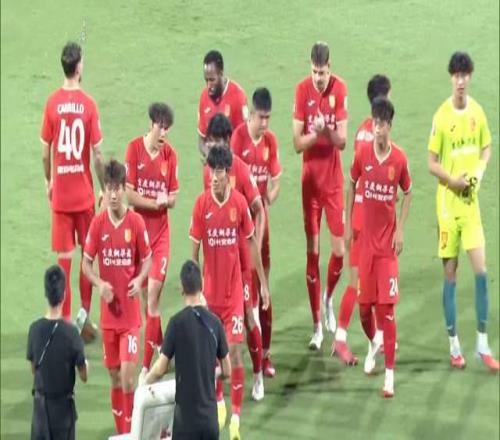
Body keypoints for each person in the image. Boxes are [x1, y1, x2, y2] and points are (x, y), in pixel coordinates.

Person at [190, 146, 270, 440]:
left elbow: (251, 244)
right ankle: (220, 401)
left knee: (233, 352)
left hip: (234, 292)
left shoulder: (239, 204)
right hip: (210, 296)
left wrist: (262, 284)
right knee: (212, 355)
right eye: (211, 171)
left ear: (227, 174)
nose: (214, 177)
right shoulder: (201, 205)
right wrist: (194, 292)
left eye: (219, 172)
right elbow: (194, 251)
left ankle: (235, 418)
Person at [427, 51, 499, 371]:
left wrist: (478, 174)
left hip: (471, 206)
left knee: (481, 272)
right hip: (448, 207)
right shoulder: (441, 117)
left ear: (469, 77)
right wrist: (453, 181)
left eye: (464, 75)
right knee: (451, 275)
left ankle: (482, 343)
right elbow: (431, 163)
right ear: (451, 77)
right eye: (456, 75)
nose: (460, 81)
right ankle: (454, 343)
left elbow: (487, 147)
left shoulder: (477, 113)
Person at [82, 159, 152, 433]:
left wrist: (139, 279)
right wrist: (100, 283)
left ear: (124, 189)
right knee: (113, 377)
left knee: (127, 378)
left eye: (116, 188)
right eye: (108, 188)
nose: (112, 194)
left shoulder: (136, 223)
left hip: (131, 318)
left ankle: (132, 433)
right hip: (109, 318)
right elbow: (86, 264)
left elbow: (147, 259)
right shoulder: (98, 224)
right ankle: (123, 432)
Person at [349, 97, 412, 397]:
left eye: (382, 124)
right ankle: (374, 341)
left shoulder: (398, 159)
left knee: (386, 310)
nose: (377, 128)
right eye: (375, 122)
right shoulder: (362, 153)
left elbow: (408, 191)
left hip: (387, 250)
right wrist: (349, 221)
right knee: (364, 311)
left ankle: (389, 375)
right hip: (365, 248)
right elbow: (351, 182)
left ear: (389, 126)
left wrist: (400, 229)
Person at [40, 41, 104, 332]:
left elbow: (45, 152)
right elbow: (98, 155)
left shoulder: (52, 103)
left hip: (62, 196)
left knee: (64, 257)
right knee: (87, 255)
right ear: (78, 67)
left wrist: (48, 180)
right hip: (85, 195)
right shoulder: (89, 105)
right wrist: (103, 187)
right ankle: (84, 314)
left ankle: (64, 320)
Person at [203, 114, 267, 402]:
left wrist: (255, 245)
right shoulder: (209, 172)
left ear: (228, 141)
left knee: (250, 318)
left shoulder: (240, 170)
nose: (214, 147)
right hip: (219, 262)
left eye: (219, 141)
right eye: (211, 142)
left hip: (241, 263)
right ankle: (219, 389)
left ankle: (258, 373)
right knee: (215, 324)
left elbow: (258, 208)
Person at [292, 41, 348, 349]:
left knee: (339, 251)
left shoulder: (340, 89)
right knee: (312, 252)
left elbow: (342, 141)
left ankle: (328, 298)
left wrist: (326, 130)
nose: (318, 78)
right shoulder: (302, 91)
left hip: (333, 185)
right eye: (315, 72)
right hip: (311, 186)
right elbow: (297, 144)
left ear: (330, 68)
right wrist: (316, 132)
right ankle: (316, 325)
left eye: (323, 72)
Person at [333, 75, 391, 366]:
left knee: (372, 284)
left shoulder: (361, 131)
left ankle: (379, 336)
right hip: (365, 221)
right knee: (358, 284)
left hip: (360, 217)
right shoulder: (376, 138)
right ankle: (341, 338)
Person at [144, 260, 231, 440]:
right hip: (210, 420)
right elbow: (227, 371)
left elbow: (160, 368)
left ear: (182, 288)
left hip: (186, 422)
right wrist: (210, 374)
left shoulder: (176, 323)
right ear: (202, 286)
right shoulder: (215, 323)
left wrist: (145, 382)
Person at [124, 102, 179, 379]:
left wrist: (166, 200)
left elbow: (174, 196)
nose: (164, 134)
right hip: (138, 239)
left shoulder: (171, 156)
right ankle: (162, 346)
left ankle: (146, 368)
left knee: (153, 299)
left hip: (160, 239)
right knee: (147, 299)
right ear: (151, 124)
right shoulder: (134, 150)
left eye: (167, 129)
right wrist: (154, 203)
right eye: (161, 127)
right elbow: (129, 194)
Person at [231, 87, 281, 378]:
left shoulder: (270, 141)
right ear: (250, 114)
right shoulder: (238, 140)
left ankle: (265, 355)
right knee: (241, 291)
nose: (265, 123)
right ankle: (234, 355)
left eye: (268, 118)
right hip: (239, 226)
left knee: (264, 288)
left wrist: (271, 194)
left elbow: (276, 182)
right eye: (261, 117)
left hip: (261, 222)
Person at [27, 265, 88, 440]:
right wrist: (85, 362)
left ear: (46, 294)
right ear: (64, 295)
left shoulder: (34, 329)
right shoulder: (72, 333)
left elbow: (34, 369)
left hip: (40, 412)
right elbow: (84, 375)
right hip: (63, 414)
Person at [198, 50, 248, 159]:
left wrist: (224, 160)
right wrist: (210, 156)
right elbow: (201, 140)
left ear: (221, 73)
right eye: (206, 80)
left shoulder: (238, 96)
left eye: (212, 80)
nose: (208, 85)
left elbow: (244, 140)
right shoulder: (204, 97)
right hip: (213, 166)